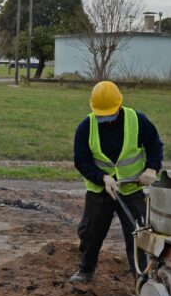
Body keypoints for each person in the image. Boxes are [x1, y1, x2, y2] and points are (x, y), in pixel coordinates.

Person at [70, 81, 163, 284]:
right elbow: (81, 161)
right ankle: (86, 270)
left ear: (119, 106)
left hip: (131, 189)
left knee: (139, 236)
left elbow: (155, 146)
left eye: (108, 113)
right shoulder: (86, 126)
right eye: (101, 114)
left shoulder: (137, 120)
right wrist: (102, 177)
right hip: (100, 191)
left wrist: (151, 169)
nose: (105, 118)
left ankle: (142, 279)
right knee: (90, 233)